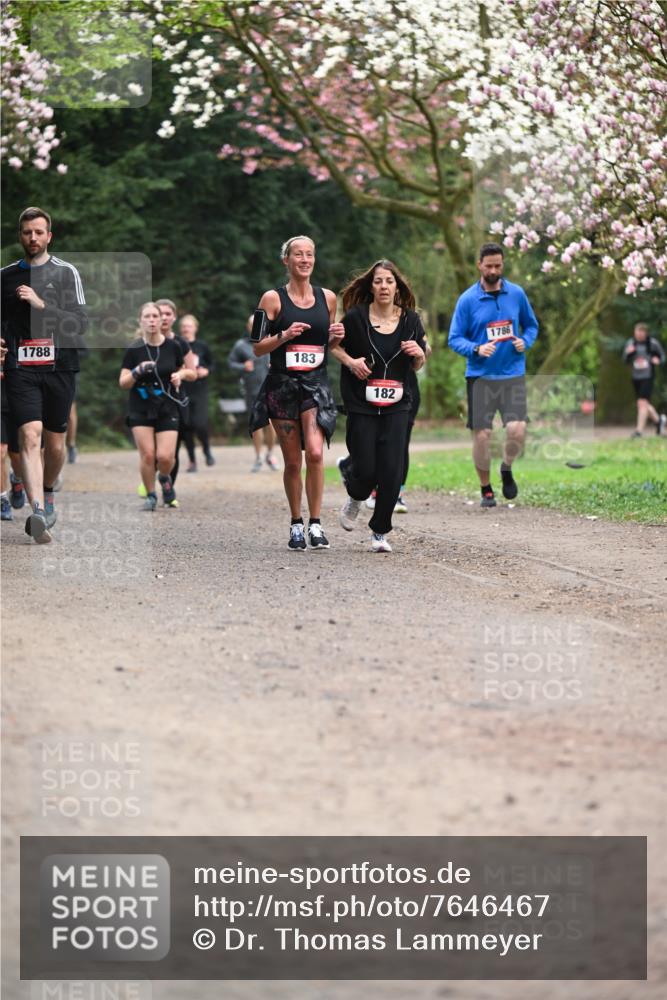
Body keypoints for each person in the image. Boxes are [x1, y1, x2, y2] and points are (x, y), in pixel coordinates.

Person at [0, 206, 87, 543]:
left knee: (54, 442)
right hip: (20, 367)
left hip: (60, 365)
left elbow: (79, 323)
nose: (32, 238)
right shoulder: (5, 276)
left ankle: (48, 491)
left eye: (38, 232)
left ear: (49, 236)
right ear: (20, 236)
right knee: (30, 436)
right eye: (26, 232)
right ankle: (38, 510)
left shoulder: (67, 273)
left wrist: (41, 304)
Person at [250, 235, 342, 550]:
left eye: (310, 254)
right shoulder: (271, 299)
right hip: (282, 386)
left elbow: (328, 346)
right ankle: (296, 524)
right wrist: (284, 335)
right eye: (298, 254)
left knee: (315, 453)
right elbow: (258, 347)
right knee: (292, 462)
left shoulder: (328, 298)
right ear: (286, 261)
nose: (304, 259)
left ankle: (316, 523)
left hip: (315, 384)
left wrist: (336, 338)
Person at [332, 259, 426, 553]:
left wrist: (419, 354)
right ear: (370, 286)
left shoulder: (411, 320)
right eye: (378, 281)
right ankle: (355, 495)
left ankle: (380, 531)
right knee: (366, 466)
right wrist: (350, 362)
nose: (383, 286)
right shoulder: (356, 317)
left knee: (392, 469)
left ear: (397, 286)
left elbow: (420, 362)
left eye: (388, 281)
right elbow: (333, 345)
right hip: (362, 401)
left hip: (398, 402)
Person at [448, 242, 539, 508]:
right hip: (480, 376)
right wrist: (476, 348)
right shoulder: (467, 300)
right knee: (483, 435)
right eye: (489, 266)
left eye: (498, 265)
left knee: (518, 430)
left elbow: (532, 326)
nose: (494, 270)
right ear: (479, 265)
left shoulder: (517, 294)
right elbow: (454, 339)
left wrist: (525, 341)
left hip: (512, 373)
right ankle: (486, 488)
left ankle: (507, 468)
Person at [119, 302, 192, 510]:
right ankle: (151, 496)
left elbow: (189, 371)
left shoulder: (174, 346)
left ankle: (165, 477)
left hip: (167, 405)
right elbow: (123, 382)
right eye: (147, 317)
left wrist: (180, 375)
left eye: (155, 316)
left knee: (166, 457)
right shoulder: (134, 349)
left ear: (162, 321)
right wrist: (137, 371)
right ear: (141, 321)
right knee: (149, 455)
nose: (151, 320)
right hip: (140, 405)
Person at [155, 298, 197, 485]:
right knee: (151, 451)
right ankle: (150, 485)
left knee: (171, 450)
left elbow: (193, 373)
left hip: (174, 400)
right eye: (160, 313)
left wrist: (180, 374)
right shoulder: (143, 342)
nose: (164, 317)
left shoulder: (181, 343)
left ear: (174, 317)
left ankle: (168, 487)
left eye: (168, 314)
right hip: (148, 400)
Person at [228, 316, 278, 472]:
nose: (256, 328)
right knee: (257, 424)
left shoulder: (273, 342)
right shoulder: (241, 345)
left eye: (260, 325)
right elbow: (231, 363)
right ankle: (258, 457)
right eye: (253, 325)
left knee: (270, 423)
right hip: (252, 391)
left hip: (272, 389)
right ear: (248, 327)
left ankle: (270, 454)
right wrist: (243, 366)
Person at [178, 313, 215, 470]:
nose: (186, 329)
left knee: (200, 424)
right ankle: (192, 460)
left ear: (195, 328)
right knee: (186, 425)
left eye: (189, 326)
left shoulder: (202, 346)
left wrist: (206, 371)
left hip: (199, 389)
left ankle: (206, 449)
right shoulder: (176, 344)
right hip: (182, 389)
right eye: (184, 326)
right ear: (180, 329)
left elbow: (213, 365)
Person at [622, 322, 666, 437]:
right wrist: (628, 353)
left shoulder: (652, 344)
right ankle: (659, 421)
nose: (640, 334)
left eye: (642, 332)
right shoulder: (631, 343)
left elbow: (662, 357)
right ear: (634, 332)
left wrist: (658, 361)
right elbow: (625, 360)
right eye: (638, 332)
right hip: (636, 377)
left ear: (646, 333)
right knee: (643, 404)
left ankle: (639, 431)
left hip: (648, 376)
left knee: (642, 403)